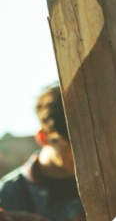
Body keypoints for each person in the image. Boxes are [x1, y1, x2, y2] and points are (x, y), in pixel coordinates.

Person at [0, 86, 84, 221]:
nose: (81, 156)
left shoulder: (112, 173)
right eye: (70, 147)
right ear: (43, 138)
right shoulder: (9, 195)